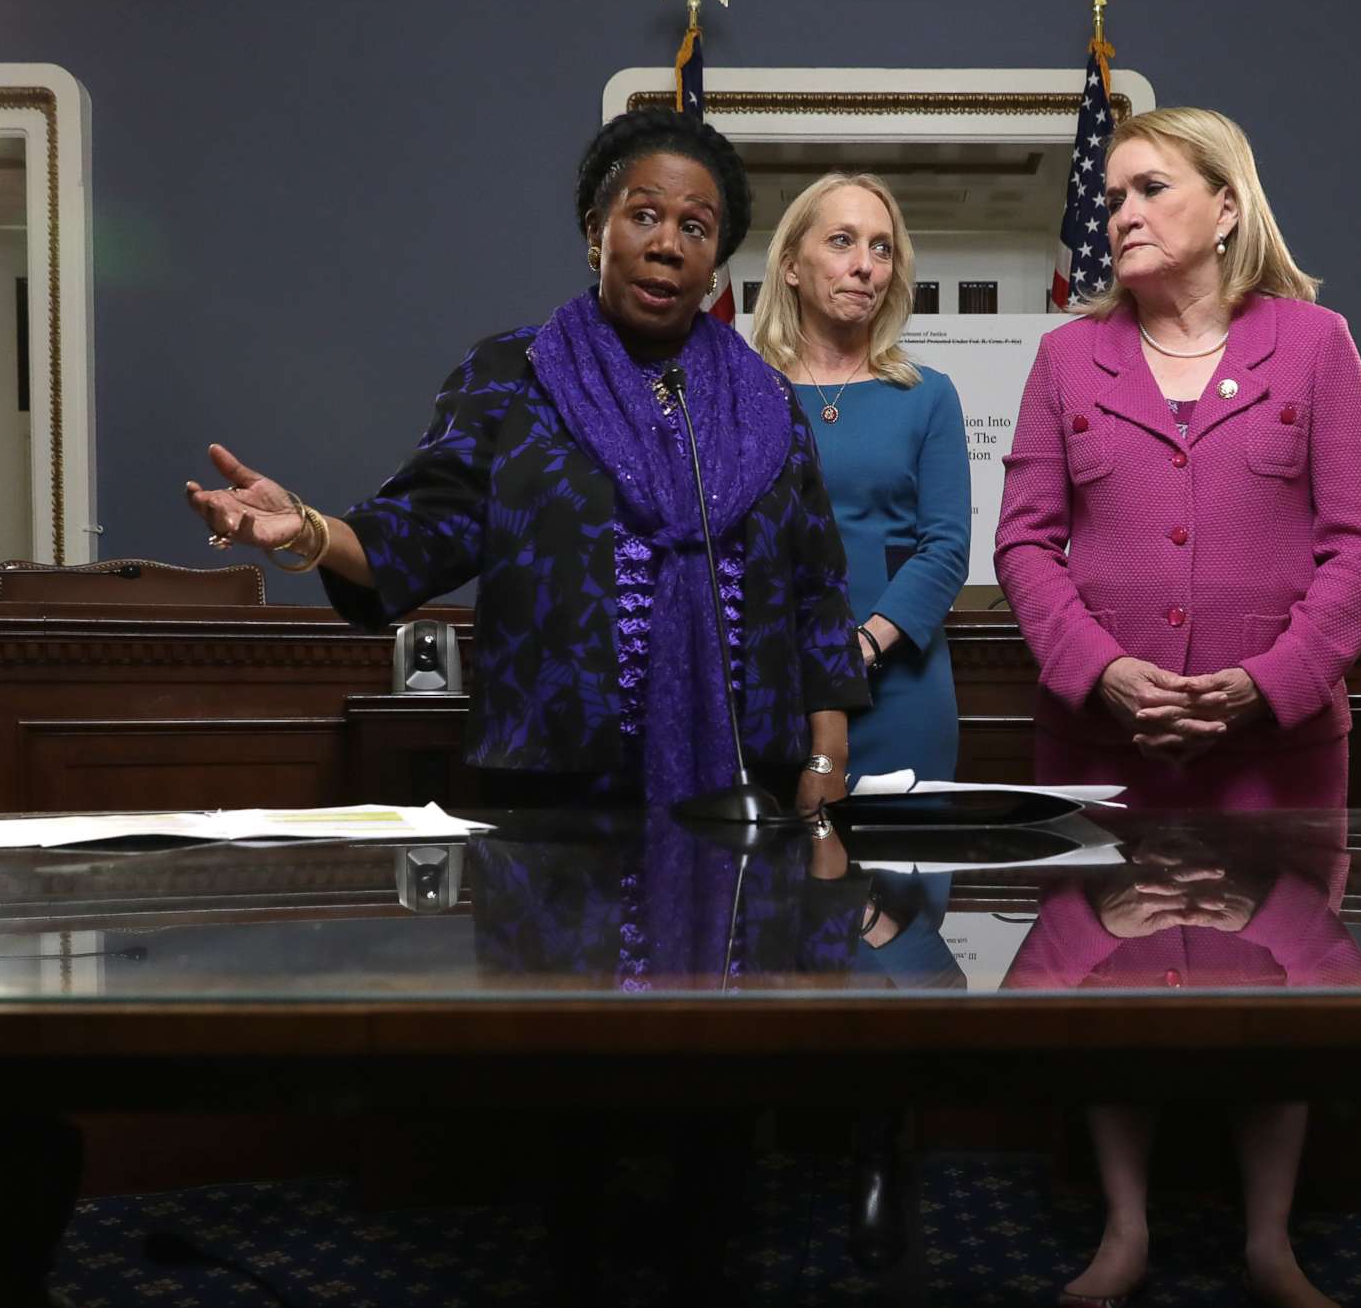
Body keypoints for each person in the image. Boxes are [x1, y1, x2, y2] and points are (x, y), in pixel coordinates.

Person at [994, 106, 1361, 1308]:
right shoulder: (1069, 361)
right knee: (1110, 986)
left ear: (1226, 206)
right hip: (1102, 749)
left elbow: (1358, 550)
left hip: (1274, 753)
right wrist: (1100, 672)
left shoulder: (1316, 346)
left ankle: (1271, 1239)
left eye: (1147, 188)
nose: (1118, 213)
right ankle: (1127, 1225)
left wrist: (1267, 682)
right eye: (1110, 195)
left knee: (1277, 991)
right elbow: (1024, 543)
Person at [184, 109, 868, 815]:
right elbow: (424, 528)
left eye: (695, 227)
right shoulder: (514, 375)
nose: (667, 245)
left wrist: (826, 757)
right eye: (643, 217)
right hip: (555, 784)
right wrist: (305, 530)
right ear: (594, 233)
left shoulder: (764, 402)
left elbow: (815, 590)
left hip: (745, 787)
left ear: (716, 259)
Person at [753, 172, 970, 781]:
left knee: (906, 868)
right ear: (793, 264)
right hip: (771, 684)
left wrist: (861, 647)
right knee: (766, 871)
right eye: (842, 241)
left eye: (882, 248)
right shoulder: (742, 393)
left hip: (899, 683)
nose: (865, 265)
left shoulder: (929, 397)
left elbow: (946, 549)